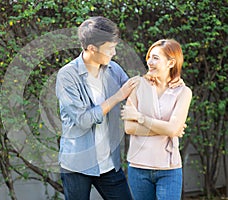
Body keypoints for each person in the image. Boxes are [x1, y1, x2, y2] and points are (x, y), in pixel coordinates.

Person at [55, 16, 138, 200]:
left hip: (109, 164)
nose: (114, 53)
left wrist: (166, 82)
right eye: (110, 49)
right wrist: (117, 97)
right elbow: (83, 120)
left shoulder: (113, 69)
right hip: (77, 165)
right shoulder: (67, 75)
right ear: (92, 49)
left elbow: (134, 92)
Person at [121, 39, 192, 200]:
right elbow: (129, 128)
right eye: (149, 57)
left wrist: (140, 118)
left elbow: (173, 130)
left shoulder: (183, 92)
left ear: (171, 62)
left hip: (169, 169)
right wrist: (166, 128)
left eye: (155, 58)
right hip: (139, 167)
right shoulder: (137, 85)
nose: (150, 62)